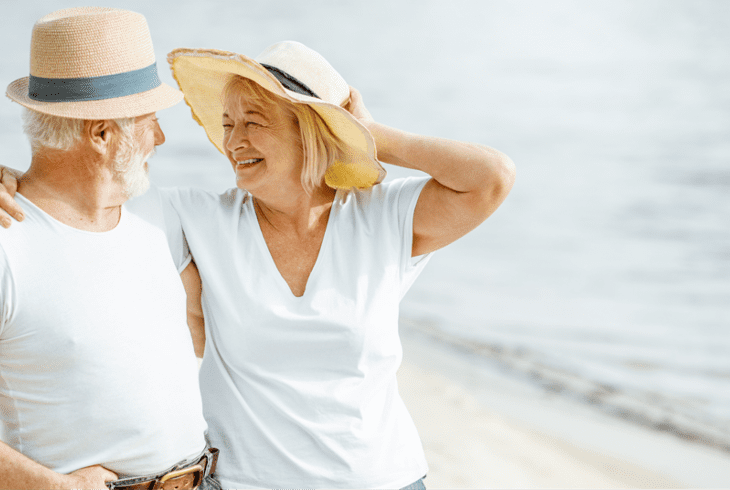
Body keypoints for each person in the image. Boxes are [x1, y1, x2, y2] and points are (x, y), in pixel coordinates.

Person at [1, 41, 515, 488]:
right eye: (227, 124)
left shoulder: (381, 218)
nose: (232, 142)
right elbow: (73, 189)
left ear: (310, 131)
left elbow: (490, 177)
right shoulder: (192, 217)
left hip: (385, 481)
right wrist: (8, 178)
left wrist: (374, 136)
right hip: (244, 483)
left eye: (253, 123)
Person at [0, 8, 218, 490]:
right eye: (150, 121)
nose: (160, 139)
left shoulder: (153, 219)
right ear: (101, 134)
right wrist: (55, 487)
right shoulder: (8, 244)